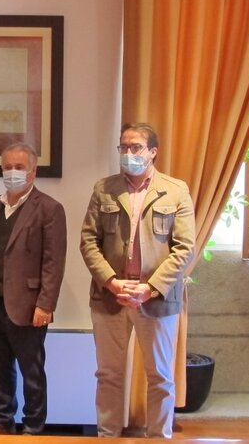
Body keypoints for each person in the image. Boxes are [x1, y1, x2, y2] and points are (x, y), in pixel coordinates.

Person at [79, 122, 195, 438]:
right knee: (108, 375)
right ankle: (108, 437)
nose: (128, 153)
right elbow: (88, 242)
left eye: (136, 147)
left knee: (160, 378)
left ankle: (159, 438)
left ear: (152, 152)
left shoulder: (176, 190)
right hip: (110, 296)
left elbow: (185, 248)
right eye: (124, 147)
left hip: (156, 299)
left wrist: (150, 288)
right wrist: (111, 282)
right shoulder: (104, 189)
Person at [0, 143, 67, 444]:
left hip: (28, 304)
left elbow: (53, 262)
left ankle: (33, 429)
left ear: (33, 172)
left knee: (31, 371)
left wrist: (45, 304)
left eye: (19, 167)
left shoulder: (49, 208)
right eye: (8, 167)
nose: (13, 172)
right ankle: (3, 423)